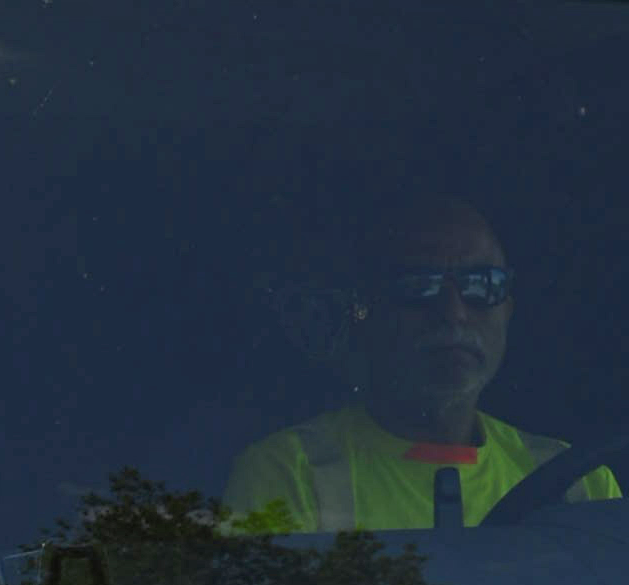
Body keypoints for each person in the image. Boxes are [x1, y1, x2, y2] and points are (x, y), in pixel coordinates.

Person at [225, 187, 607, 545]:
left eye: (481, 285)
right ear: (366, 313)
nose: (454, 313)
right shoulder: (288, 475)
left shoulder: (579, 482)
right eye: (419, 286)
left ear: (507, 309)